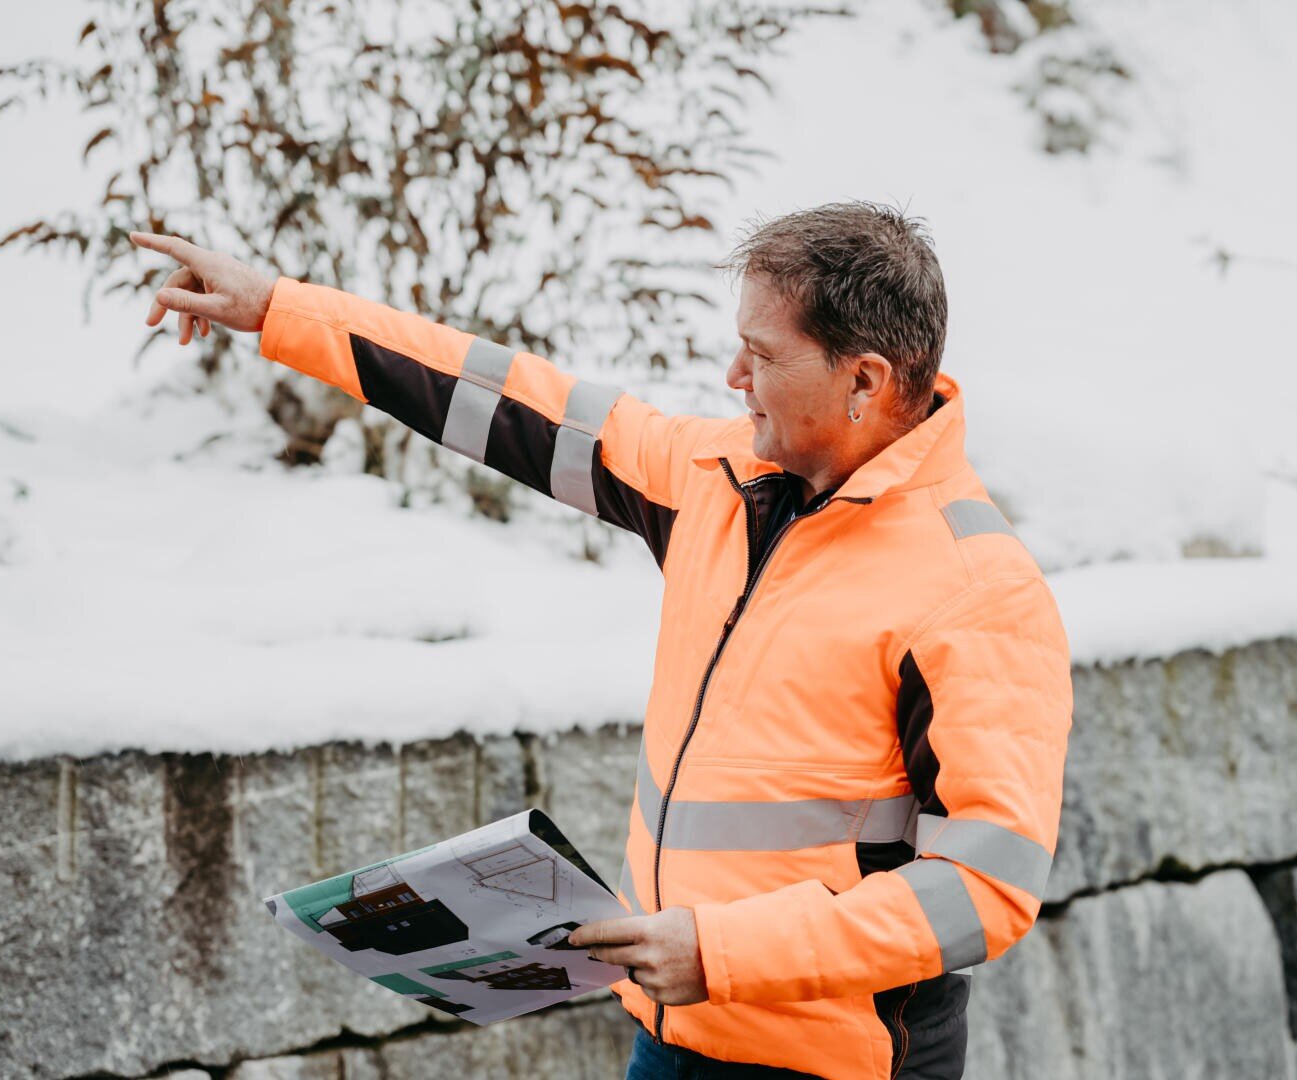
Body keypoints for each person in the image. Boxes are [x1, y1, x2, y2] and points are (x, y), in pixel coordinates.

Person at [130, 201, 1074, 1080]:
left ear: (863, 378)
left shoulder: (974, 589)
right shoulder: (714, 480)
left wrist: (719, 952)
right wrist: (279, 311)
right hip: (671, 1038)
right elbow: (507, 399)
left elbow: (982, 889)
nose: (731, 377)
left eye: (760, 353)